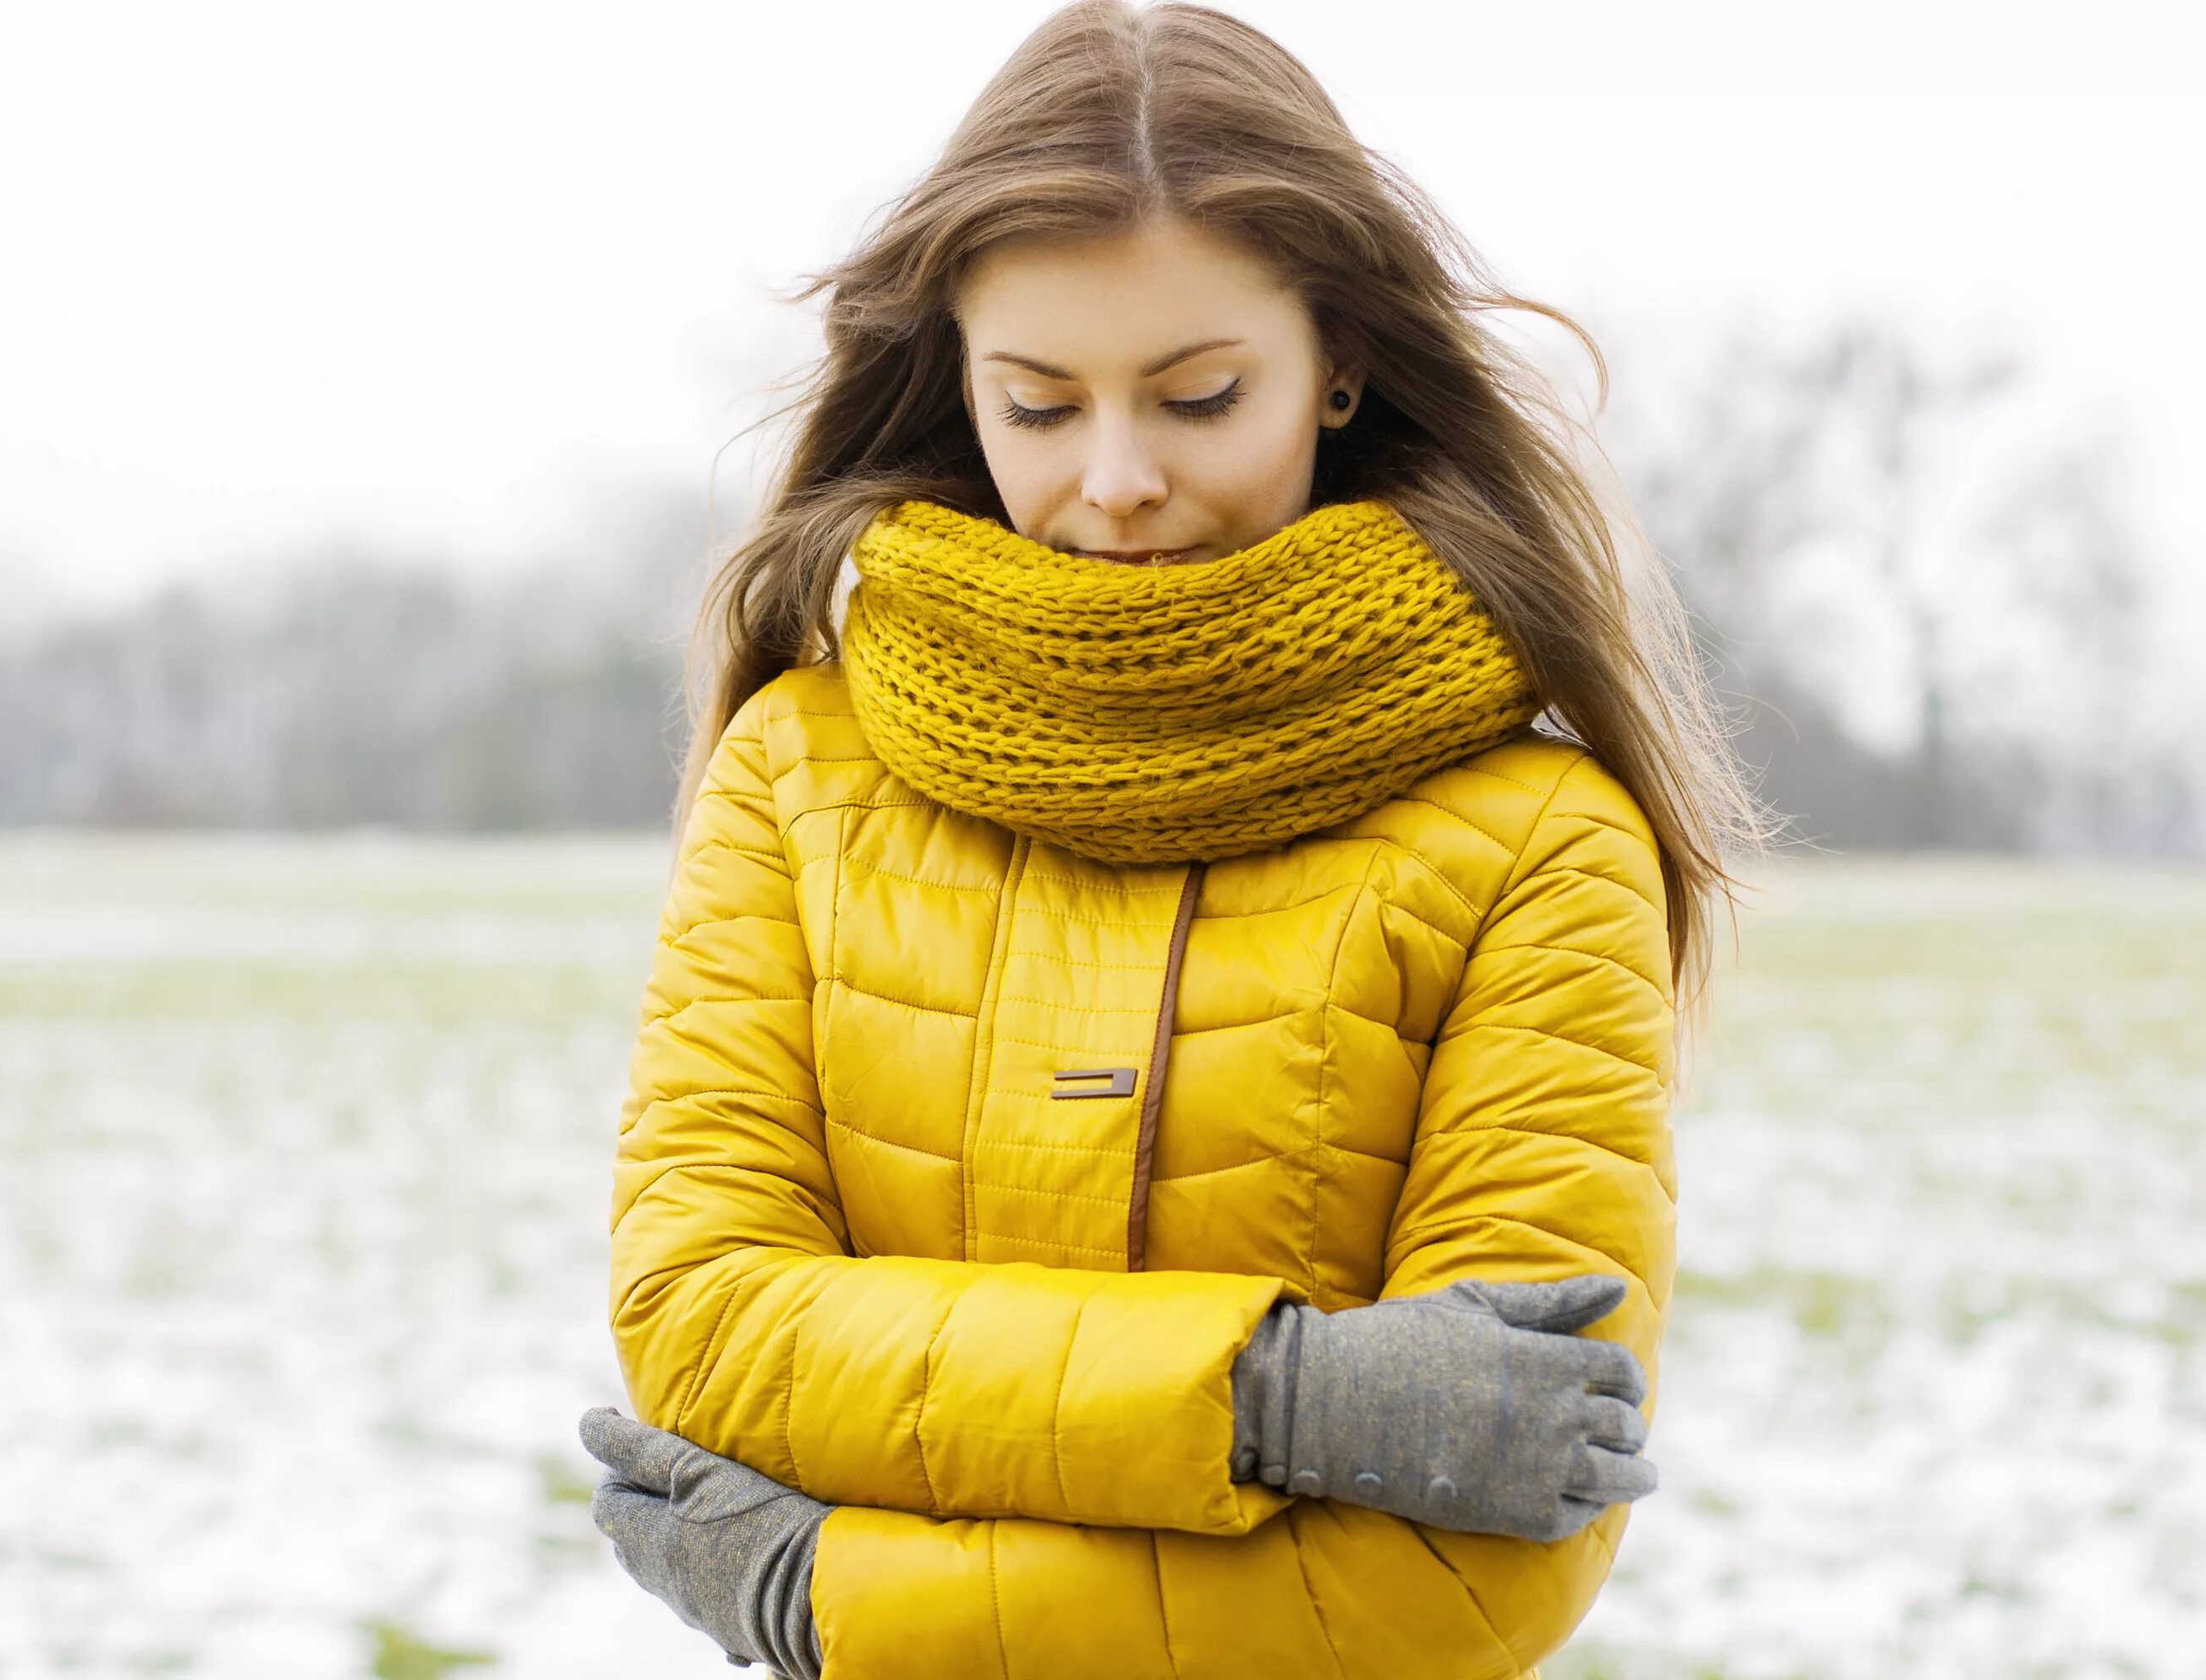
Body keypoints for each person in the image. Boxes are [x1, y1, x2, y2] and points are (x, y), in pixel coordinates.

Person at [576, 3, 1762, 1676]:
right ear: (956, 379)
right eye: (1040, 405)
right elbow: (707, 1325)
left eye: (1199, 396)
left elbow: (1479, 1573)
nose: (1117, 477)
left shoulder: (1543, 843)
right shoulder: (794, 772)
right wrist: (1286, 1404)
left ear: (1340, 359)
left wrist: (831, 1593)